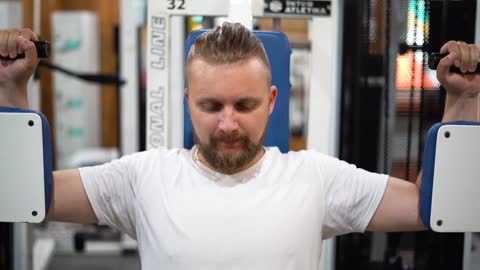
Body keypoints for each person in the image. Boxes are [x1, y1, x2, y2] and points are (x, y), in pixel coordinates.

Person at [0, 22, 479, 269]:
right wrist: (10, 92)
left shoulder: (314, 177)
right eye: (211, 106)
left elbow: (431, 209)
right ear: (188, 103)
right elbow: (28, 196)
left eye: (244, 105)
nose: (228, 124)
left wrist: (463, 100)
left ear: (272, 102)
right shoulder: (141, 178)